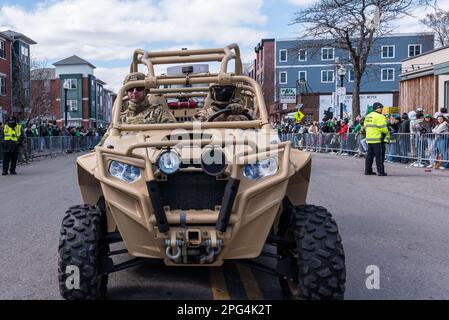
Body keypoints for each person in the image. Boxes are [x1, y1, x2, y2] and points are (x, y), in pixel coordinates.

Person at [364, 102, 390, 176]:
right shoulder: (380, 116)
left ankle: (368, 170)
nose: (381, 109)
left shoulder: (368, 116)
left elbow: (365, 127)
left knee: (369, 156)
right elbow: (384, 128)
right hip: (378, 139)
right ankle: (380, 171)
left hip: (369, 139)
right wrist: (387, 133)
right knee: (380, 157)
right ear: (376, 108)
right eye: (380, 107)